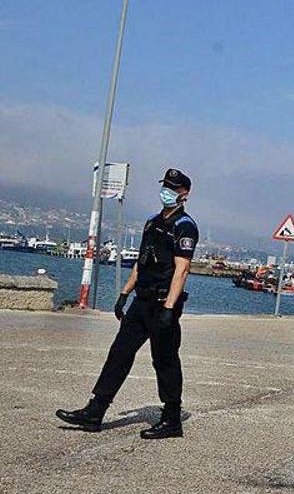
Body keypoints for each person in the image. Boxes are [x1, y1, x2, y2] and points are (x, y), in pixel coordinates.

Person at [55, 168, 199, 439]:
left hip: (162, 304)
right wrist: (124, 293)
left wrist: (169, 309)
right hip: (141, 301)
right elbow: (141, 262)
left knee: (165, 360)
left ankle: (171, 419)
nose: (167, 191)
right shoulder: (151, 223)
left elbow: (182, 270)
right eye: (166, 185)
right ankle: (95, 411)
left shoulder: (185, 226)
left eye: (174, 188)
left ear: (184, 194)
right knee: (119, 353)